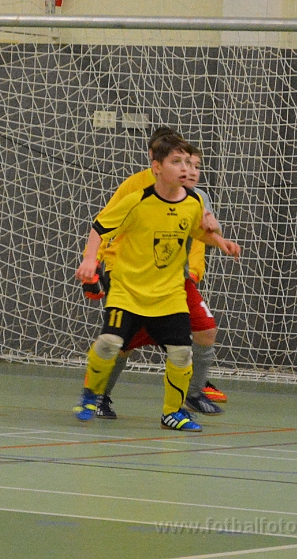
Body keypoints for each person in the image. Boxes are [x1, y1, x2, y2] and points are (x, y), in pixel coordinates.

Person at [73, 135, 241, 432]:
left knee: (181, 353)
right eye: (177, 162)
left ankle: (172, 413)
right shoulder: (137, 199)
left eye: (189, 163)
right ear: (157, 167)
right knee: (110, 344)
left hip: (169, 293)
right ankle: (92, 394)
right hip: (128, 289)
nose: (185, 168)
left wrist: (220, 241)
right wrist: (89, 260)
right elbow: (99, 228)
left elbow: (196, 231)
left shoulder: (194, 201)